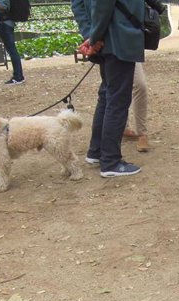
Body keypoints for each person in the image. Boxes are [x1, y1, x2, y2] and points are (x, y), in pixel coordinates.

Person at [71, 0, 145, 177]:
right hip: (117, 38)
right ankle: (111, 162)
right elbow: (102, 4)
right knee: (118, 99)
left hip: (106, 39)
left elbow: (79, 4)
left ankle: (96, 152)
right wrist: (94, 37)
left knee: (107, 95)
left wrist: (91, 35)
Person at [0, 0, 25, 85]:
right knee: (11, 50)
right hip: (5, 23)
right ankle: (18, 76)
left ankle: (18, 77)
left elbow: (4, 6)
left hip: (4, 24)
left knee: (12, 50)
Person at [122, 62, 150, 152]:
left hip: (131, 50)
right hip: (109, 52)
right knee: (118, 87)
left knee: (140, 85)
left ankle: (142, 133)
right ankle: (123, 128)